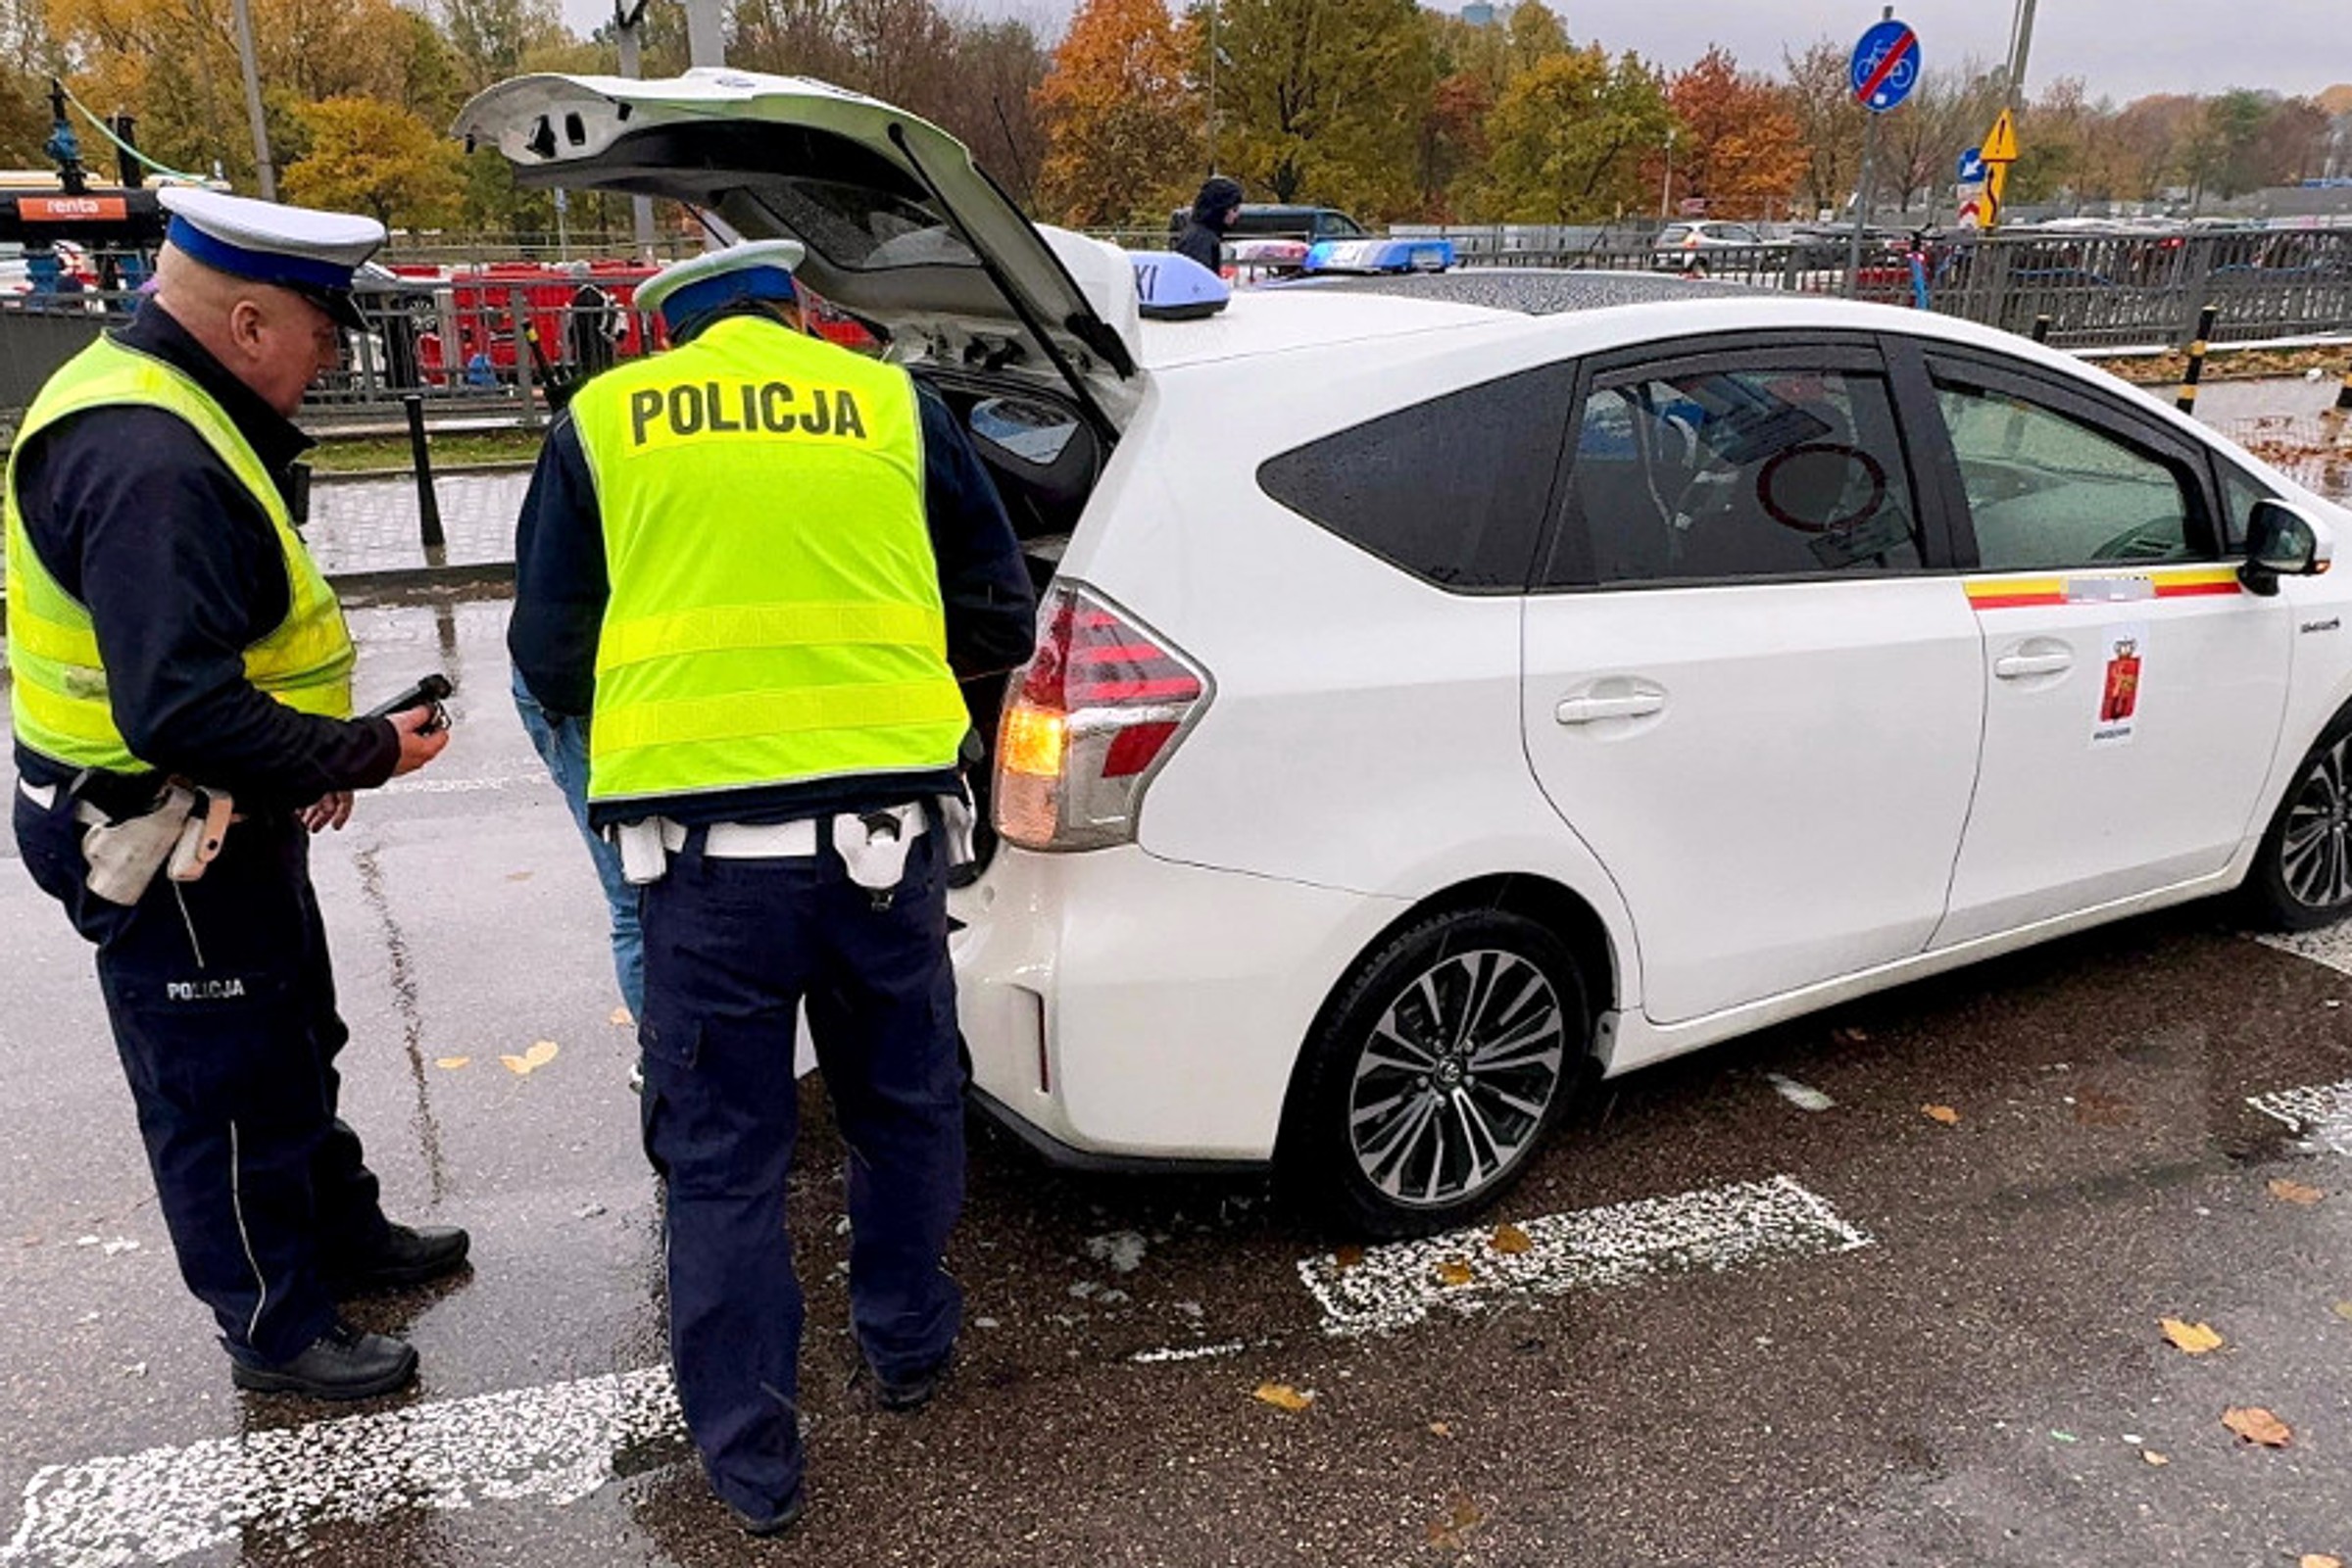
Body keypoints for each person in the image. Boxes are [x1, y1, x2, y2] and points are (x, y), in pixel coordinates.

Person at [509, 239, 1036, 1535]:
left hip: (705, 876)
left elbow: (549, 652)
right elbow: (999, 614)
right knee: (904, 1113)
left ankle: (755, 1466)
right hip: (882, 853)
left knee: (726, 1168)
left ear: (666, 335)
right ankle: (907, 1347)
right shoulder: (892, 405)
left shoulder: (607, 422)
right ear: (799, 312)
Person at [5, 187, 469, 1400]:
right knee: (219, 1084)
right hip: (156, 833)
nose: (334, 358)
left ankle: (335, 1232)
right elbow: (180, 710)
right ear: (253, 323)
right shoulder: (148, 456)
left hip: (216, 814)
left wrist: (316, 753)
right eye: (327, 332)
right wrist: (358, 754)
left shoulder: (171, 407)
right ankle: (272, 1322)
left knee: (289, 1034)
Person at [564, 262, 625, 380]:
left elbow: (583, 325)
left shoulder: (585, 296)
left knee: (592, 377)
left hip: (591, 347)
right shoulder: (598, 292)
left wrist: (572, 338)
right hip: (603, 343)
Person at [1173, 174, 1244, 273]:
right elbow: (1201, 282)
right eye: (1234, 209)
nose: (1236, 215)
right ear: (1221, 210)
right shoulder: (1202, 241)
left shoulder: (1198, 234)